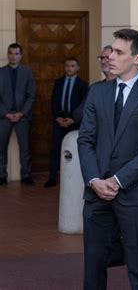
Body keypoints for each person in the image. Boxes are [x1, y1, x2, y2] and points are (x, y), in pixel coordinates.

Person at [78, 28, 138, 290]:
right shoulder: (98, 92)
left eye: (118, 52)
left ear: (137, 58)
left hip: (134, 194)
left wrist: (117, 181)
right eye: (110, 51)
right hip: (95, 194)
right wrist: (95, 180)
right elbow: (85, 140)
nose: (110, 57)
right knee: (93, 266)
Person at [44, 57, 88, 188]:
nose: (69, 68)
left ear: (77, 68)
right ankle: (52, 177)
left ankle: (75, 178)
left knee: (74, 150)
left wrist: (73, 119)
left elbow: (83, 105)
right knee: (55, 149)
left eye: (72, 66)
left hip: (74, 123)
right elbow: (53, 102)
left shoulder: (83, 84)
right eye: (67, 66)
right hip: (59, 121)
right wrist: (57, 117)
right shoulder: (58, 82)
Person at [0, 43, 36, 186]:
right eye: (10, 53)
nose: (13, 56)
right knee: (1, 147)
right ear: (7, 54)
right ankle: (1, 176)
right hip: (4, 117)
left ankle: (26, 176)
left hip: (23, 116)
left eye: (16, 54)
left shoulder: (27, 72)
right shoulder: (1, 72)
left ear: (21, 56)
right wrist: (5, 113)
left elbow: (31, 95)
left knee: (25, 147)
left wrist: (21, 113)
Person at [72, 45, 116, 125]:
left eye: (107, 58)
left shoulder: (124, 86)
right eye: (102, 58)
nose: (103, 61)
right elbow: (78, 114)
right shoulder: (95, 88)